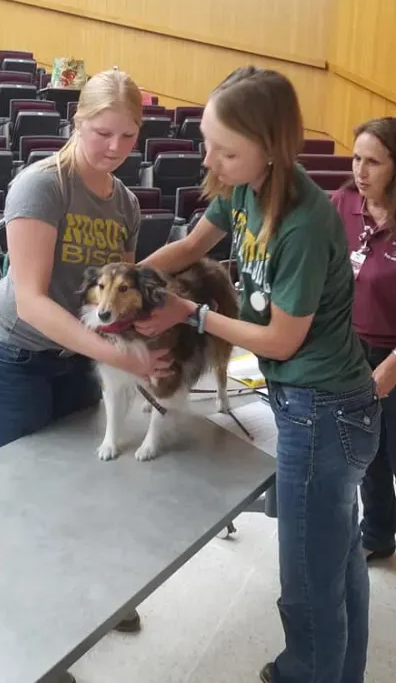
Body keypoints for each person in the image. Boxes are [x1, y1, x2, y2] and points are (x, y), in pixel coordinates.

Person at [134, 66, 380, 683]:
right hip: (313, 401)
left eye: (228, 150)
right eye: (207, 142)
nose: (211, 160)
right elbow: (191, 247)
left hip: (325, 412)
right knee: (337, 558)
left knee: (307, 582)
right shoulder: (243, 187)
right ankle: (337, 671)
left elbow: (279, 338)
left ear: (271, 148)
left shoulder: (302, 220)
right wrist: (133, 279)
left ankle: (308, 670)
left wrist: (193, 315)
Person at [0, 70, 171, 674]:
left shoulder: (127, 202)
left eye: (127, 137)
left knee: (84, 488)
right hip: (19, 353)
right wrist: (117, 356)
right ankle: (39, 640)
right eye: (100, 131)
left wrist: (144, 336)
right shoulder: (41, 186)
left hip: (78, 355)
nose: (113, 148)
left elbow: (119, 293)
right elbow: (34, 300)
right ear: (76, 122)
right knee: (28, 500)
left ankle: (94, 596)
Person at [332, 117, 396, 563]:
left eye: (373, 161)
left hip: (393, 354)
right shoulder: (342, 204)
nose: (361, 170)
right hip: (351, 352)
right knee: (367, 455)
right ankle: (377, 533)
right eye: (356, 158)